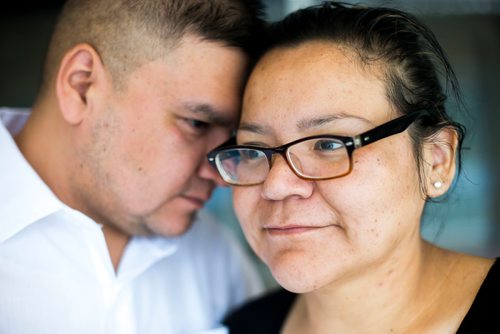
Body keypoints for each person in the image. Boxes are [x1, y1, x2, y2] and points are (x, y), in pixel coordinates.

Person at [207, 2, 499, 333]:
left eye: (328, 144)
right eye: (253, 151)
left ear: (437, 160)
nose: (275, 186)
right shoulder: (239, 327)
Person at [0, 0, 266, 333]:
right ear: (81, 86)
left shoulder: (218, 257)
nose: (221, 176)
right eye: (196, 124)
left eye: (229, 141)